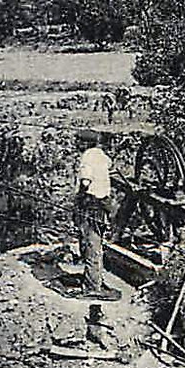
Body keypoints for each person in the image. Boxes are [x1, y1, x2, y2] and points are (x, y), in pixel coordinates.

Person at [72, 128, 121, 301]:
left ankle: (92, 286)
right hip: (103, 205)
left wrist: (79, 196)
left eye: (78, 141)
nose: (76, 144)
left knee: (90, 245)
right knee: (96, 243)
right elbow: (110, 167)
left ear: (85, 143)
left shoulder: (87, 157)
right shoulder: (101, 155)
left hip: (90, 204)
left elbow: (85, 181)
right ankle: (95, 279)